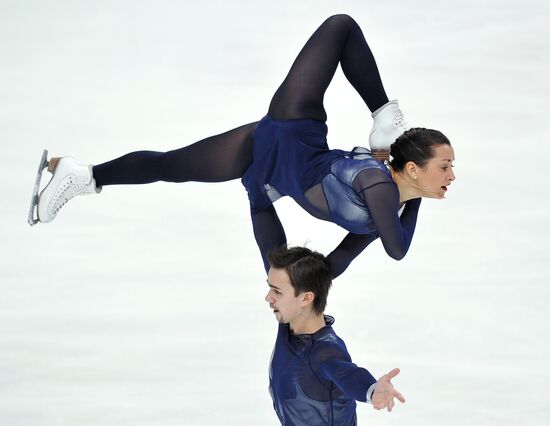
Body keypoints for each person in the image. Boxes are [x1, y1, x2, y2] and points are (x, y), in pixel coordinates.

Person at [32, 14, 455, 278]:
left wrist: (305, 301)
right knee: (340, 26)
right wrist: (415, 198)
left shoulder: (386, 206)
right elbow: (397, 250)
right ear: (413, 170)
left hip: (269, 162)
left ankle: (82, 177)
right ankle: (384, 114)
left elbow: (337, 263)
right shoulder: (381, 192)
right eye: (444, 167)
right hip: (294, 131)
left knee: (171, 166)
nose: (452, 177)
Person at [265, 245, 405, 425]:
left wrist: (371, 390)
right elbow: (267, 238)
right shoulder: (289, 320)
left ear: (306, 298)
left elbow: (349, 376)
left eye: (277, 291)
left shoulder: (324, 352)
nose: (268, 297)